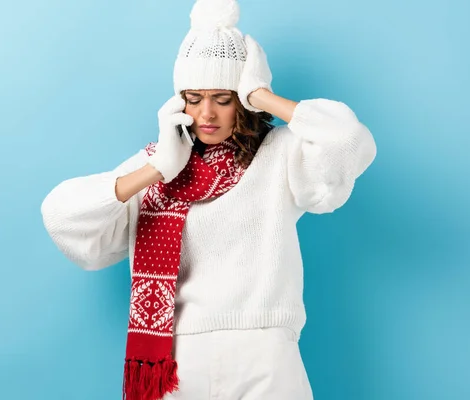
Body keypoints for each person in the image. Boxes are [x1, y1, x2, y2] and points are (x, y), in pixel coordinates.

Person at [41, 0, 377, 399]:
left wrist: (263, 96)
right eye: (194, 97)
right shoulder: (158, 163)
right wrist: (159, 168)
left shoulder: (280, 154)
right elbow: (62, 217)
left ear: (242, 101)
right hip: (177, 362)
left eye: (223, 97)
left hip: (264, 356)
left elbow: (348, 141)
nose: (207, 114)